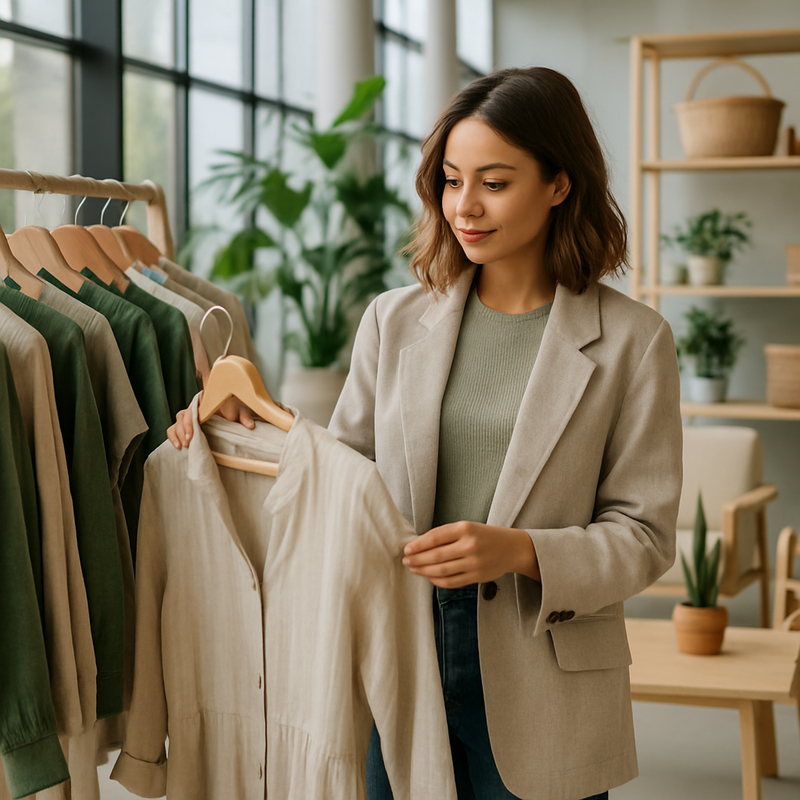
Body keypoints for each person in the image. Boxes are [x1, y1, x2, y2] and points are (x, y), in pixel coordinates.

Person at [168, 66, 682, 800]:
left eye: (494, 183)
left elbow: (645, 535)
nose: (464, 206)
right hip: (400, 642)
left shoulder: (635, 341)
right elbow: (341, 476)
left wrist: (523, 551)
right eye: (450, 179)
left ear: (560, 183)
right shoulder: (394, 319)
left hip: (546, 665)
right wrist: (237, 436)